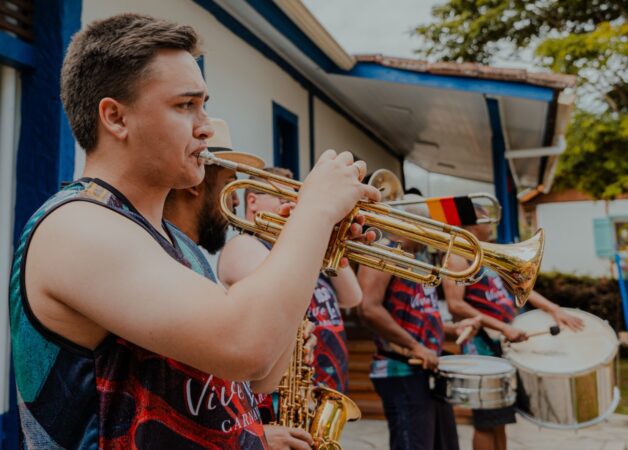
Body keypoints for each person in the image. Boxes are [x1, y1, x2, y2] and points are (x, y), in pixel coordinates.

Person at [9, 13, 378, 448]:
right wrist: (312, 214)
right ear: (115, 118)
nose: (205, 126)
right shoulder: (76, 227)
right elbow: (246, 346)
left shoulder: (176, 241)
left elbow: (260, 377)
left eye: (204, 104)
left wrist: (314, 246)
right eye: (185, 105)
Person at [163, 118, 316, 450]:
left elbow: (261, 381)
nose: (235, 200)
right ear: (196, 182)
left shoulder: (196, 261)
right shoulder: (167, 262)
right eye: (230, 183)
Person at [217, 164, 362, 422]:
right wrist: (309, 223)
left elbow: (353, 297)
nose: (295, 208)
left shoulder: (303, 252)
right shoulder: (244, 246)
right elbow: (280, 293)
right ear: (253, 202)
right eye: (286, 199)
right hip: (278, 399)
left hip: (321, 390)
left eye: (299, 201)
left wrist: (333, 235)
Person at [442, 209, 584, 450]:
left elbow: (520, 286)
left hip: (501, 344)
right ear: (474, 226)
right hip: (482, 347)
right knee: (486, 421)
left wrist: (554, 309)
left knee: (500, 419)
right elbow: (456, 305)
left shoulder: (488, 252)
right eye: (488, 220)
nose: (493, 224)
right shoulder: (458, 256)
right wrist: (503, 328)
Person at [358, 195, 480, 450]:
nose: (433, 233)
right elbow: (368, 308)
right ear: (412, 223)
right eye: (429, 226)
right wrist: (416, 347)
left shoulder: (416, 258)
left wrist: (452, 329)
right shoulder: (384, 251)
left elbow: (418, 316)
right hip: (401, 370)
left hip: (426, 370)